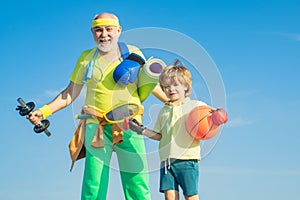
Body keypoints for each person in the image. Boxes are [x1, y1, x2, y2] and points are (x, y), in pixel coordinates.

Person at [28, 12, 168, 200]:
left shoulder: (133, 53)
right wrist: (43, 112)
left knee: (137, 181)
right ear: (92, 32)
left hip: (130, 124)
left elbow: (149, 85)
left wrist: (175, 102)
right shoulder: (86, 58)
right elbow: (70, 93)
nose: (104, 34)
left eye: (109, 29)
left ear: (118, 31)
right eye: (98, 30)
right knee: (94, 184)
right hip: (96, 125)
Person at [129, 60, 210, 200]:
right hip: (166, 161)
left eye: (176, 85)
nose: (171, 89)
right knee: (169, 196)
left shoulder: (196, 106)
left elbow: (211, 116)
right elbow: (159, 135)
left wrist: (217, 115)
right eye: (166, 86)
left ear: (186, 87)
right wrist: (141, 130)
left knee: (190, 196)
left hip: (187, 160)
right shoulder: (163, 111)